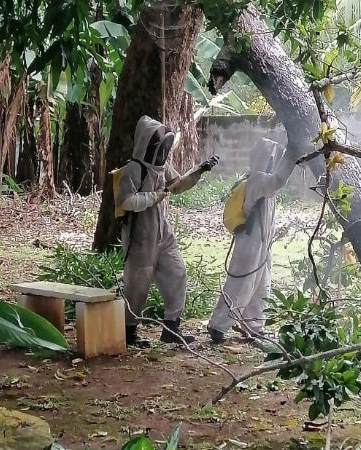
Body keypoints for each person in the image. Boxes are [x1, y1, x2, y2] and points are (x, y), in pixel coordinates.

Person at [116, 115, 219, 348]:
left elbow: (178, 185)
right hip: (140, 236)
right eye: (159, 145)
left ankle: (171, 328)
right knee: (137, 286)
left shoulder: (161, 167)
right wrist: (153, 197)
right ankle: (128, 332)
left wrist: (199, 171)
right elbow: (125, 201)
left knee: (177, 273)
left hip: (162, 231)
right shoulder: (132, 169)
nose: (162, 150)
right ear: (148, 144)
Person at [207, 137, 296, 344]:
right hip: (250, 244)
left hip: (262, 244)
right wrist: (293, 155)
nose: (274, 162)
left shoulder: (261, 181)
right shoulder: (258, 179)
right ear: (264, 159)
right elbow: (278, 181)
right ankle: (218, 326)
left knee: (260, 287)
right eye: (272, 158)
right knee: (240, 285)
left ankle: (254, 326)